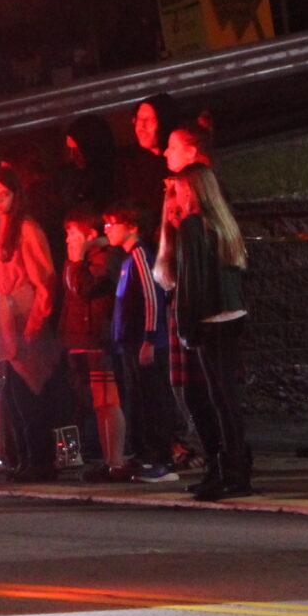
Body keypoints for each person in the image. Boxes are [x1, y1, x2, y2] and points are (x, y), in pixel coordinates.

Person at [158, 163, 252, 499]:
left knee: (220, 398)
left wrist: (186, 327)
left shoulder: (192, 226)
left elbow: (191, 282)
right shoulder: (222, 223)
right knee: (227, 398)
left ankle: (231, 472)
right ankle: (235, 468)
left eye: (181, 189)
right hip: (233, 313)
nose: (178, 195)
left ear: (193, 190)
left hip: (211, 319)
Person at [0, 165, 67, 479]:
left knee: (29, 391)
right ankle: (23, 458)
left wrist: (35, 321)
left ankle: (41, 461)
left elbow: (44, 279)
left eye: (5, 194)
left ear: (16, 196)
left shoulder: (26, 228)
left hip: (21, 317)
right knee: (10, 394)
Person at [103, 199, 177, 478]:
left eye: (113, 224)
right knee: (139, 400)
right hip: (130, 345)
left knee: (154, 400)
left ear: (131, 226)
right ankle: (144, 456)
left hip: (144, 344)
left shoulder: (140, 256)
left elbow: (152, 299)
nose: (107, 229)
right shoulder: (126, 259)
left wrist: (149, 338)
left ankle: (164, 458)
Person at [60, 205, 127, 479]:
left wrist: (76, 262)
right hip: (80, 339)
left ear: (89, 233)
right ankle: (104, 459)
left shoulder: (104, 256)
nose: (67, 239)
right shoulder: (81, 258)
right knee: (94, 402)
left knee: (107, 401)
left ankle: (115, 461)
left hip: (98, 339)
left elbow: (86, 289)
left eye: (72, 233)